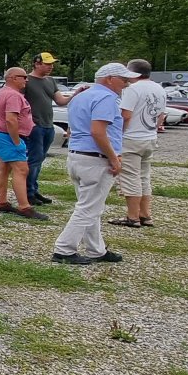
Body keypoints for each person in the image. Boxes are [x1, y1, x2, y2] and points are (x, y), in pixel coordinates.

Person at [52, 63, 134, 265]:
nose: (127, 84)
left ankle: (96, 249)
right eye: (124, 79)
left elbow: (73, 128)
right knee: (88, 209)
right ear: (109, 79)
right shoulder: (106, 98)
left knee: (91, 207)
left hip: (77, 155)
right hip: (95, 158)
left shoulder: (81, 96)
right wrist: (114, 158)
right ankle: (64, 249)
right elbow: (98, 131)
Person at [112, 59, 166, 228]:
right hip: (149, 137)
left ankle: (132, 216)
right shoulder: (159, 88)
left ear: (133, 73)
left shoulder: (132, 89)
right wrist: (153, 130)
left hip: (131, 138)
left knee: (130, 177)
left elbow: (126, 115)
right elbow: (161, 115)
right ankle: (145, 214)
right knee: (144, 176)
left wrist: (119, 134)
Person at [0, 67, 47, 220]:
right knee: (21, 170)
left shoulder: (4, 92)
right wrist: (16, 141)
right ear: (13, 78)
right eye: (24, 77)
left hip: (0, 134)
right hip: (8, 136)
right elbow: (11, 119)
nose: (26, 80)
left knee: (3, 168)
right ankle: (24, 207)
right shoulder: (13, 95)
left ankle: (2, 203)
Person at [23, 52, 79, 206]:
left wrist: (76, 94)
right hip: (34, 126)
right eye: (47, 64)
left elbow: (60, 101)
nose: (51, 67)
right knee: (34, 159)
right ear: (37, 63)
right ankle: (28, 193)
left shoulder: (50, 81)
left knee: (40, 159)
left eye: (52, 64)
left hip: (48, 125)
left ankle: (34, 189)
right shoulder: (27, 81)